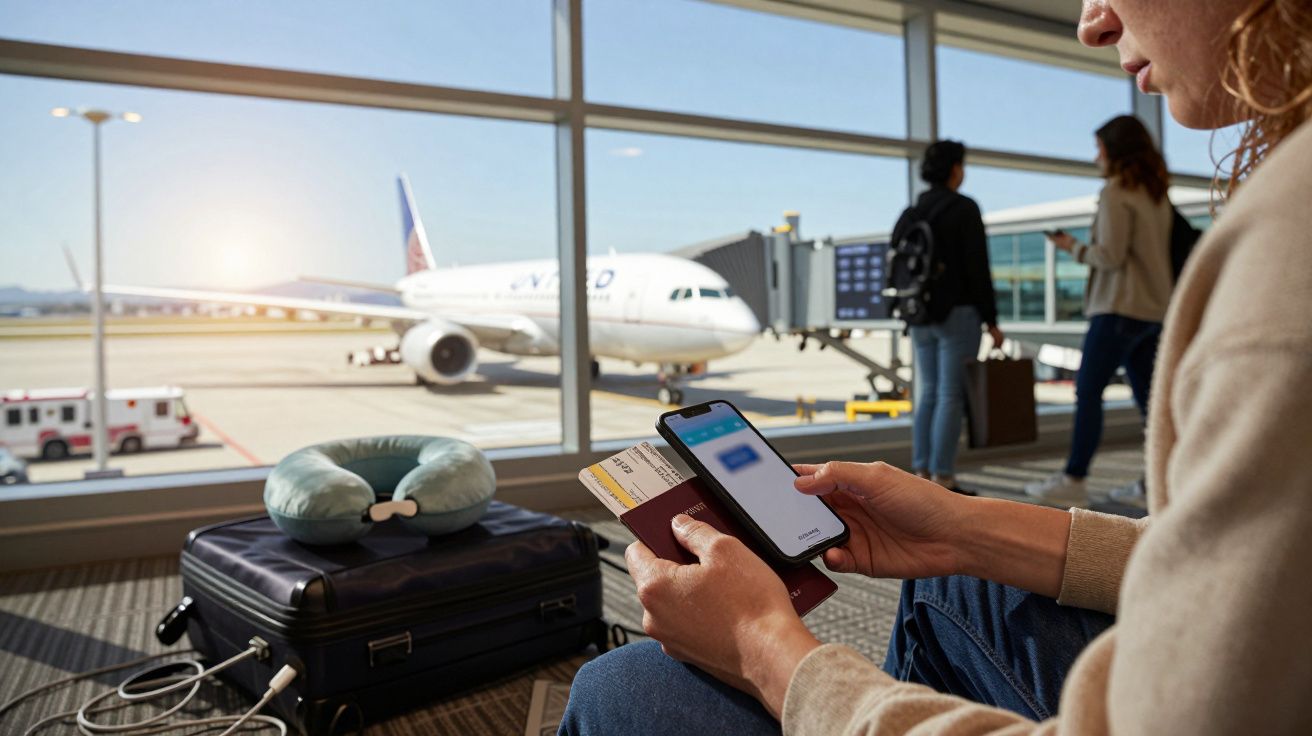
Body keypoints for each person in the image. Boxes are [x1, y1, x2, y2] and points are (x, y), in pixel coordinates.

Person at [560, 0, 1312, 734]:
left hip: (986, 316)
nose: (1090, 22)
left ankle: (940, 476)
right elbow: (1270, 575)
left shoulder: (1282, 251)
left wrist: (764, 651)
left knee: (619, 687)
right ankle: (943, 491)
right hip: (1106, 316)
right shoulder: (1215, 211)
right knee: (958, 545)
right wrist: (967, 527)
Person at [1024, 115, 1174, 506]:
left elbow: (1109, 256)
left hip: (1117, 309)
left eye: (1100, 149)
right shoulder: (1156, 193)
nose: (1095, 158)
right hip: (1153, 311)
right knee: (1151, 405)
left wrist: (1071, 247)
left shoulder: (1116, 192)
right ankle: (1157, 482)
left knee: (1088, 392)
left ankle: (1074, 478)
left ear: (1115, 151)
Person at [895, 140, 1004, 494]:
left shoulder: (911, 213)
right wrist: (991, 319)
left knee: (927, 393)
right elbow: (978, 268)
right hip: (957, 314)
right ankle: (944, 477)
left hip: (920, 316)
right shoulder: (964, 208)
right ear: (955, 169)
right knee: (950, 395)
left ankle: (921, 471)